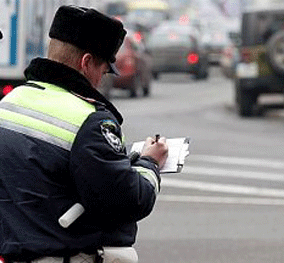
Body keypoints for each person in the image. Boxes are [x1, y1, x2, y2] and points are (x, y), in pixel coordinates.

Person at [0, 5, 168, 263]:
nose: (102, 79)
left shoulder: (11, 101)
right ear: (86, 62)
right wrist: (150, 163)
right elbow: (127, 201)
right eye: (103, 70)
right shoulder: (89, 121)